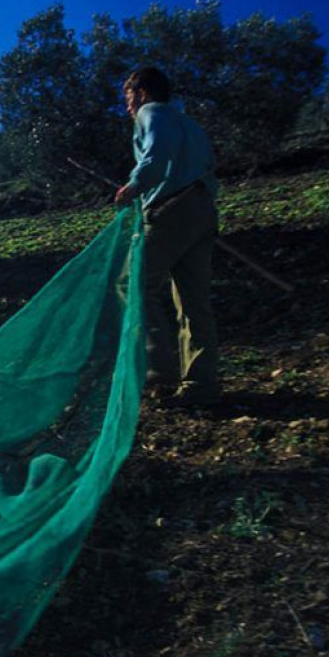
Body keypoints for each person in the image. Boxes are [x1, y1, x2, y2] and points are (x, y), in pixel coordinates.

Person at [113, 67, 221, 407]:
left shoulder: (152, 112)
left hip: (171, 209)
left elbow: (156, 156)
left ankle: (158, 368)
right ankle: (201, 385)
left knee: (131, 283)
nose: (128, 107)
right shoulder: (189, 124)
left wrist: (133, 187)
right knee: (192, 301)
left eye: (128, 97)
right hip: (202, 208)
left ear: (142, 92)